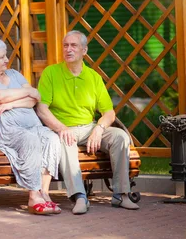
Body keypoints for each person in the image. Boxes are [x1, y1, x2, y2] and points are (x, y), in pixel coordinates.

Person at [36, 30, 140, 214]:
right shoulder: (51, 73)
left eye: (73, 45)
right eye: (65, 45)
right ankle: (80, 197)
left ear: (84, 50)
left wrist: (99, 129)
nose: (68, 49)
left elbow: (109, 113)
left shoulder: (93, 77)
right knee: (66, 141)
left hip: (89, 127)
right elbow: (42, 109)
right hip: (63, 129)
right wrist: (61, 128)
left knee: (120, 137)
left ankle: (121, 194)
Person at [0, 37, 62, 215]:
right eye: (2, 57)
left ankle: (44, 193)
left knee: (51, 138)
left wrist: (12, 104)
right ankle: (34, 197)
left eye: (5, 56)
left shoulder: (14, 75)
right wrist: (26, 91)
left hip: (30, 127)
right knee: (30, 139)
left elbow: (35, 99)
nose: (6, 60)